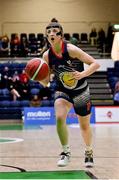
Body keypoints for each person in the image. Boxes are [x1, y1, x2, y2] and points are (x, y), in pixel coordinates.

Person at [40, 18, 100, 168]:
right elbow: (46, 82)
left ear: (61, 35)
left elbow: (95, 63)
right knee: (60, 117)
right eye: (48, 33)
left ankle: (88, 151)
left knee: (84, 126)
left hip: (80, 91)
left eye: (54, 32)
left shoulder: (71, 49)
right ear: (46, 37)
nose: (51, 34)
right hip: (63, 90)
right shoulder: (46, 55)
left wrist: (83, 74)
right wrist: (37, 76)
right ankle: (65, 152)